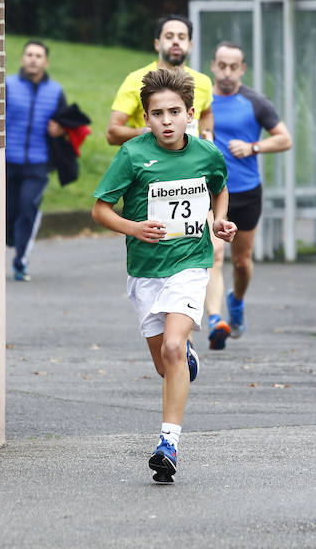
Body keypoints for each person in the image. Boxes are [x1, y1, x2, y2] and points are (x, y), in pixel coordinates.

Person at [92, 69, 236, 483]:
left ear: (191, 114)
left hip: (190, 264)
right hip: (145, 272)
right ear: (146, 118)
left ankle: (168, 444)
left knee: (174, 345)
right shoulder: (133, 155)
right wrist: (134, 227)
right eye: (158, 114)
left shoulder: (207, 154)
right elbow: (100, 209)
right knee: (166, 363)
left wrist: (220, 221)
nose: (167, 121)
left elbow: (219, 187)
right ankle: (183, 358)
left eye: (175, 112)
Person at [205, 42, 292, 350]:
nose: (227, 73)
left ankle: (236, 301)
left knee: (241, 262)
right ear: (213, 65)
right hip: (211, 192)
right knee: (214, 255)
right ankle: (216, 320)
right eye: (222, 65)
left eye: (234, 67)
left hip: (246, 192)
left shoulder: (255, 102)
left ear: (242, 69)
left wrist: (253, 147)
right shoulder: (201, 99)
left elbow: (284, 138)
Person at [5, 40, 68, 282]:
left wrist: (60, 129)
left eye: (38, 56)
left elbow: (67, 124)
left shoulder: (55, 91)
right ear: (22, 59)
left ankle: (20, 260)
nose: (33, 59)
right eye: (29, 54)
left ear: (45, 62)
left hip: (39, 163)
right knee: (8, 212)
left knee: (27, 209)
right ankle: (13, 238)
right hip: (8, 161)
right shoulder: (8, 85)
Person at [105, 15, 214, 145]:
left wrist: (207, 134)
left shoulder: (203, 81)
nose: (175, 41)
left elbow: (206, 114)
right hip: (150, 161)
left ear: (190, 46)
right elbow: (112, 134)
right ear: (157, 44)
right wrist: (150, 132)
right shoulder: (136, 80)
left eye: (181, 37)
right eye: (169, 36)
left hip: (191, 163)